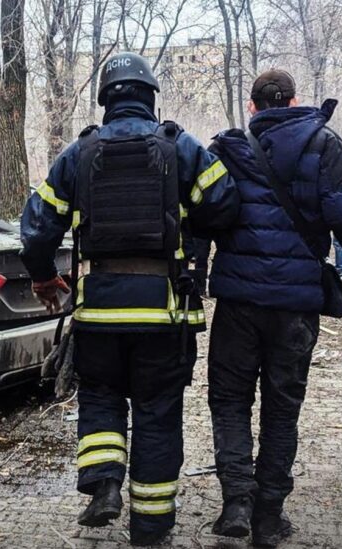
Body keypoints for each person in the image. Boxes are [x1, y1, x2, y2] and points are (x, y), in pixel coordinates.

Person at [20, 52, 239, 546]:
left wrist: (43, 278)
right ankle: (151, 526)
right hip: (164, 315)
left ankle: (104, 484)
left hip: (98, 313)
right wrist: (188, 218)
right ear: (150, 97)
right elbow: (225, 204)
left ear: (105, 101)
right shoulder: (180, 147)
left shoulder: (79, 154)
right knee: (157, 412)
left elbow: (36, 229)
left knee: (100, 396)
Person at [206, 69, 342, 548]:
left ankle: (236, 502)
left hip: (239, 301)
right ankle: (268, 516)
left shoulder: (228, 148)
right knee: (282, 410)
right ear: (294, 100)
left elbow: (206, 213)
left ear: (252, 106)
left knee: (229, 400)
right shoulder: (324, 143)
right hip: (296, 303)